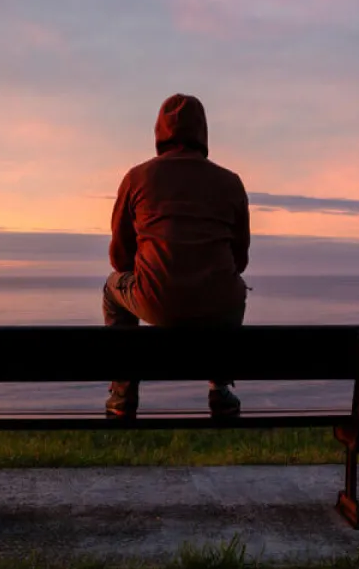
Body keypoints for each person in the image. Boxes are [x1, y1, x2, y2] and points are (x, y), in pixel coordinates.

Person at [102, 93, 250, 418]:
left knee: (112, 289)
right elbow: (240, 260)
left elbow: (119, 258)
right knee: (235, 288)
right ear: (203, 132)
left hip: (157, 303)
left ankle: (123, 392)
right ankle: (220, 389)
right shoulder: (231, 182)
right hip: (217, 306)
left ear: (160, 131)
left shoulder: (137, 178)